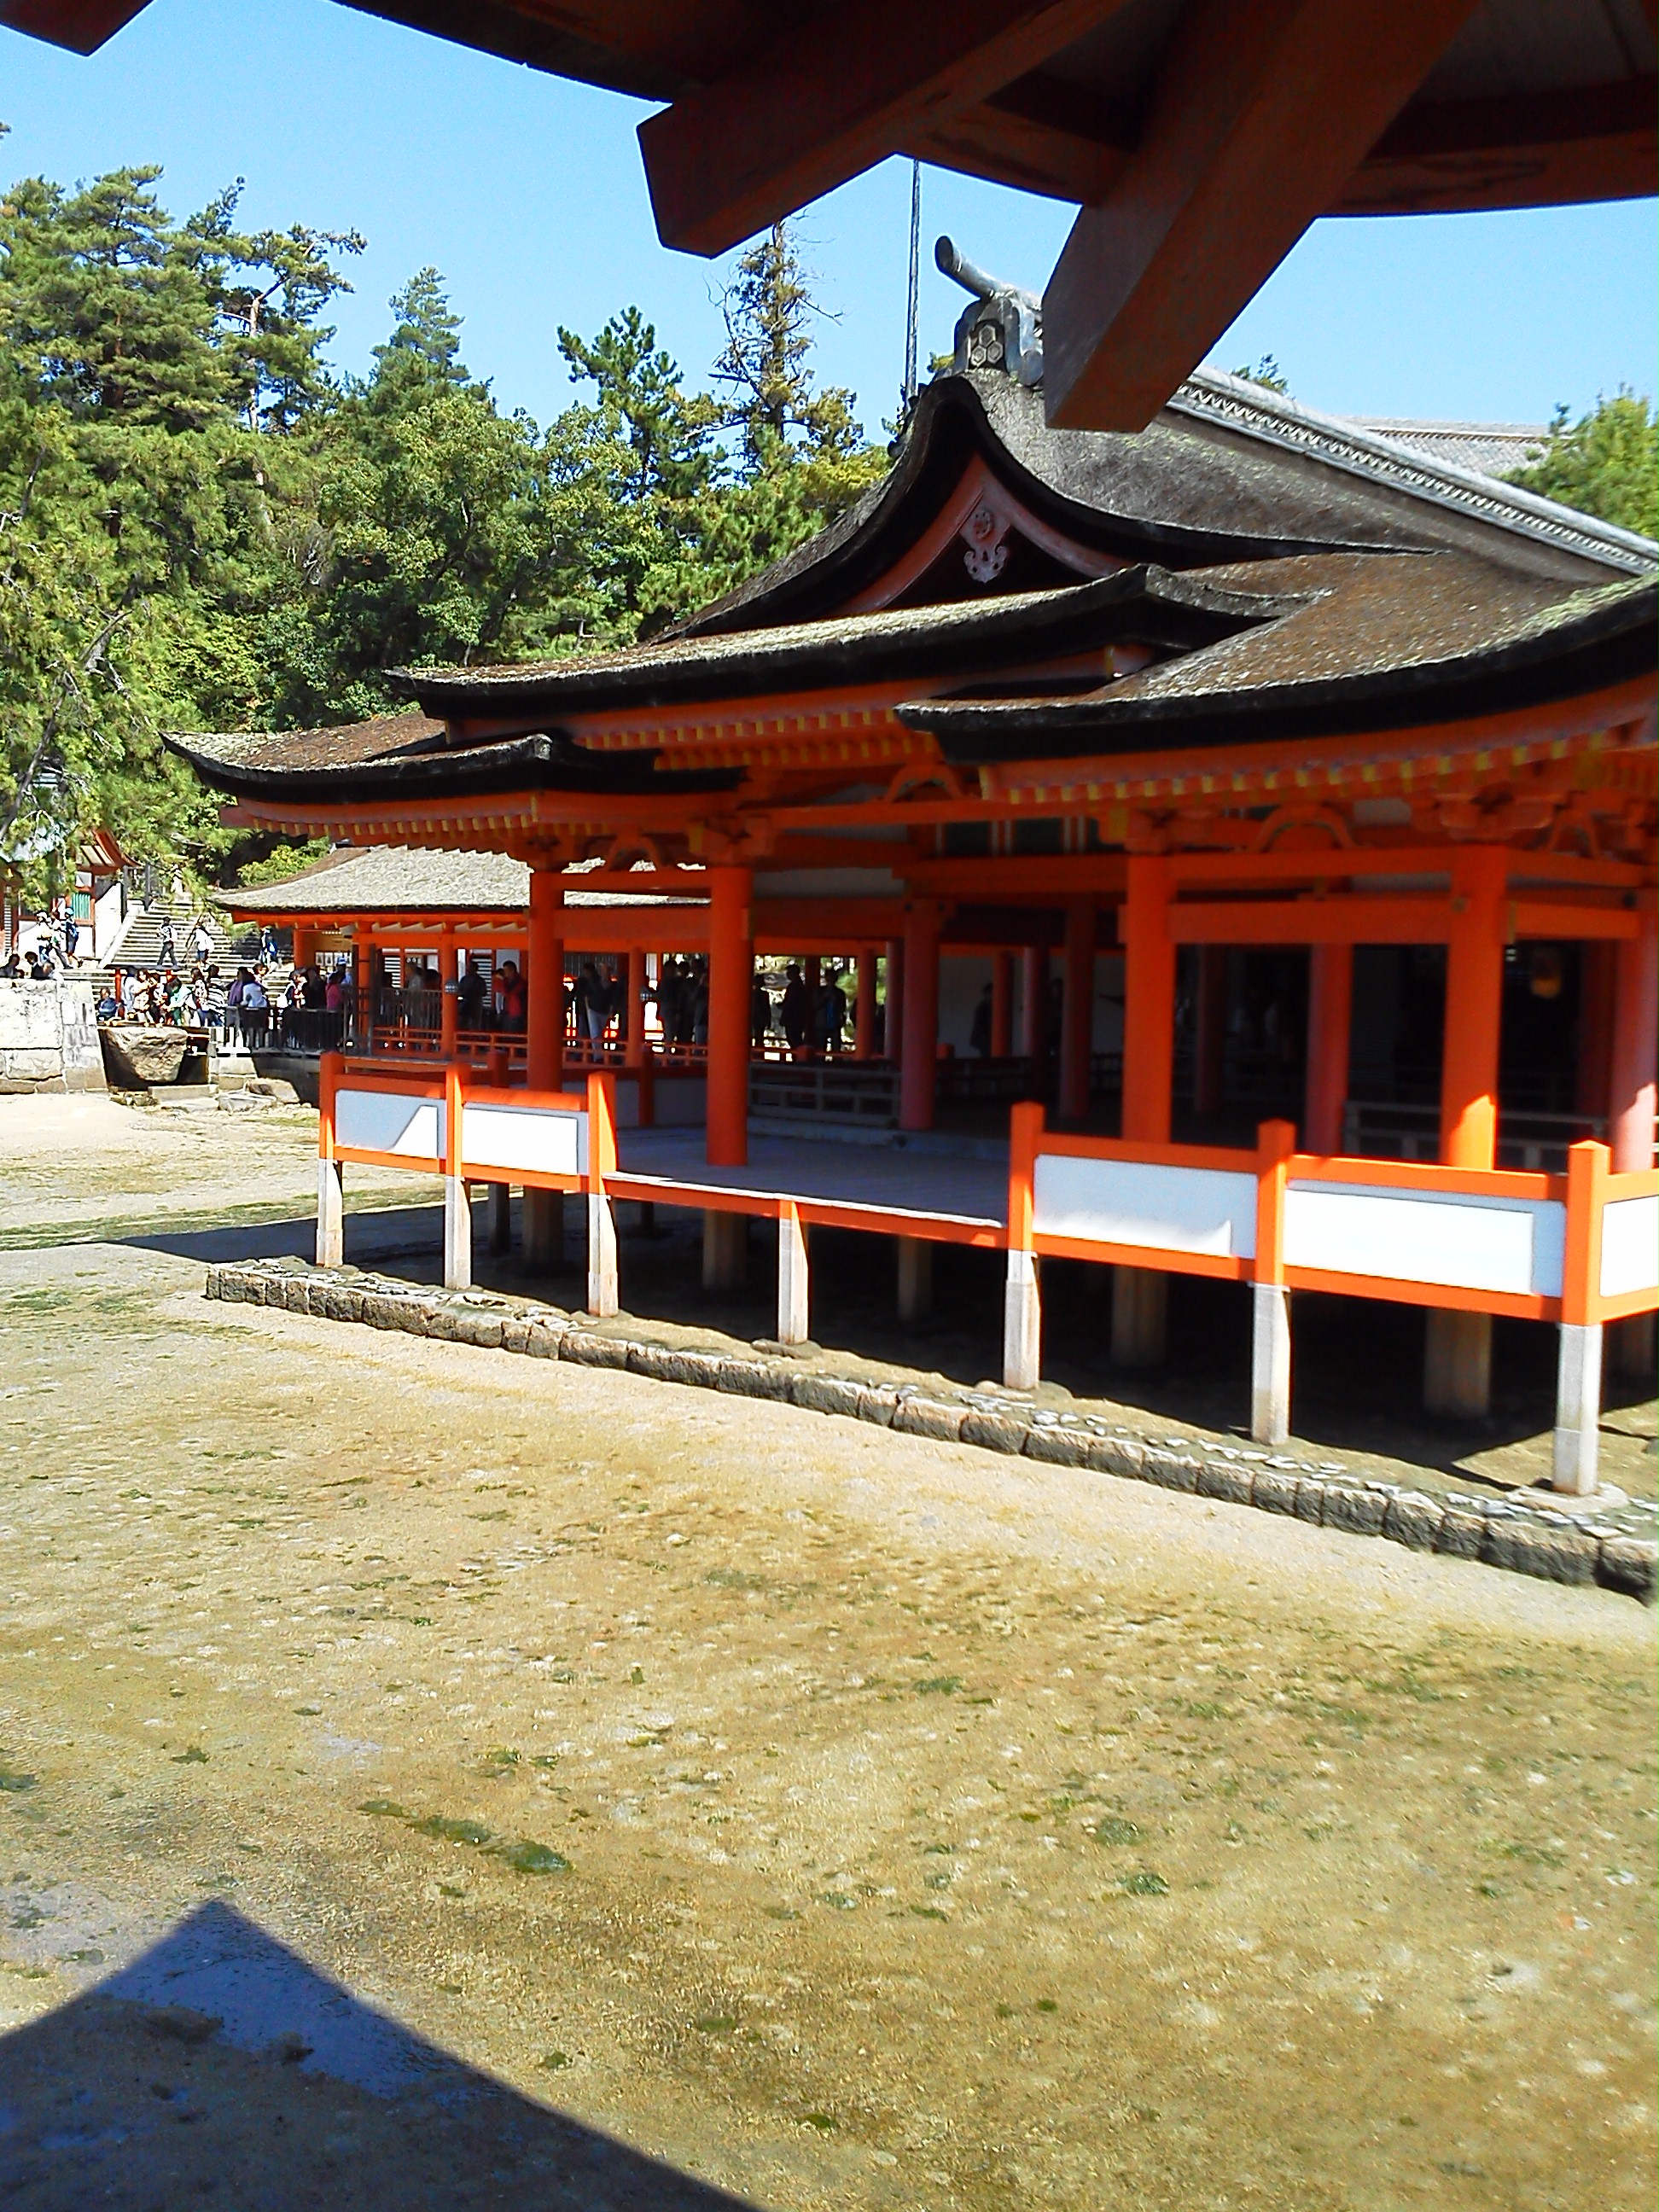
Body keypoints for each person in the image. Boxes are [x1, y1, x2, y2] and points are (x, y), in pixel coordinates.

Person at [780, 963, 808, 1056]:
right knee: (794, 1039)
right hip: (796, 1018)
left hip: (794, 1018)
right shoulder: (796, 986)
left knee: (794, 1039)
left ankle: (798, 1059)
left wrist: (783, 1006)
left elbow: (791, 1003)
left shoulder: (795, 987)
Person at [456, 957, 487, 1031]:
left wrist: (474, 992)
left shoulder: (480, 980)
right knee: (462, 1023)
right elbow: (459, 990)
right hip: (464, 1003)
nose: (468, 969)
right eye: (468, 967)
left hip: (476, 1004)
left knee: (475, 1025)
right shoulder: (464, 979)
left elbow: (484, 993)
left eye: (470, 967)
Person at [970, 981, 992, 1058]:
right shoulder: (982, 1008)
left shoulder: (985, 1007)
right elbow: (978, 1026)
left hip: (986, 1039)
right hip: (985, 1039)